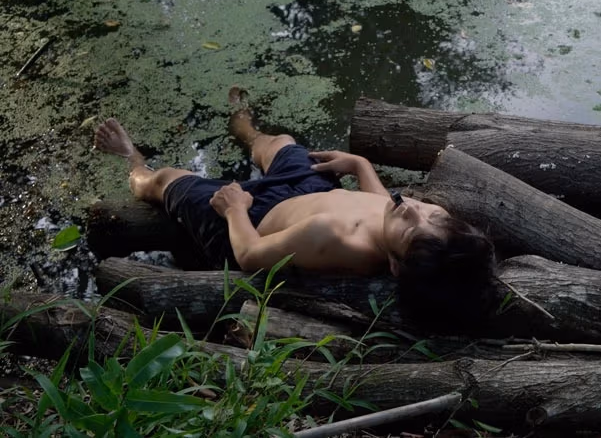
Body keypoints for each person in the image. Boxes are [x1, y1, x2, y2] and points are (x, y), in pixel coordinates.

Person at [93, 87, 495, 330]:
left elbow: (248, 256)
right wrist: (359, 165)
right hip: (306, 190)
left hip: (250, 220)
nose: (411, 208)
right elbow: (380, 204)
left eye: (413, 228)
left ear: (394, 267)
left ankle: (133, 160)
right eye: (433, 213)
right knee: (283, 142)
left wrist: (234, 208)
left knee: (168, 181)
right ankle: (247, 131)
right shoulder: (399, 223)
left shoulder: (333, 240)